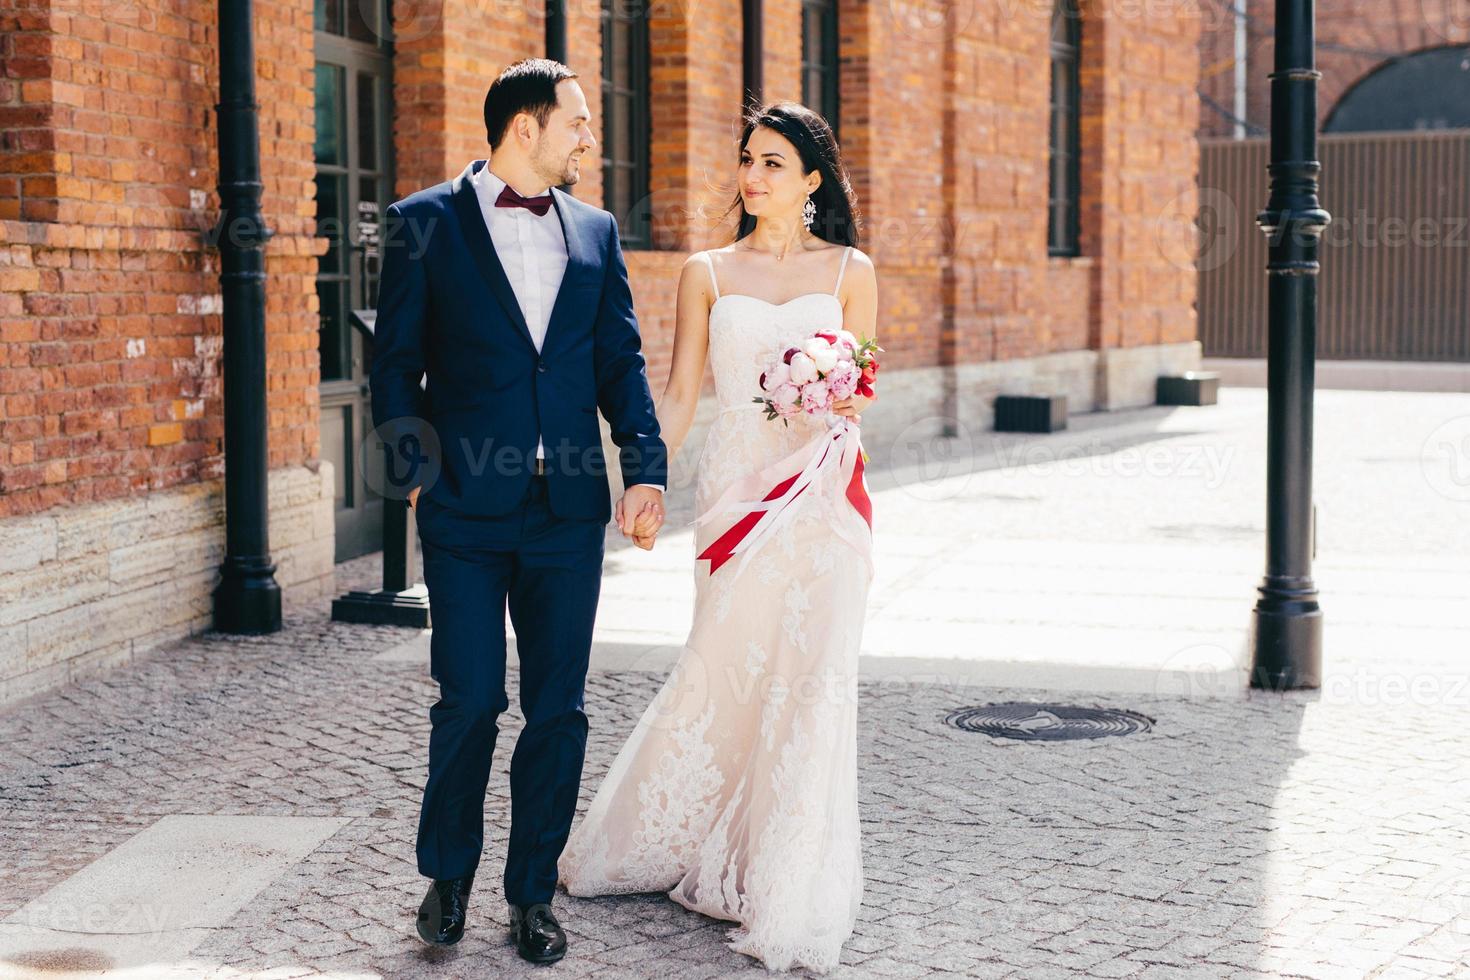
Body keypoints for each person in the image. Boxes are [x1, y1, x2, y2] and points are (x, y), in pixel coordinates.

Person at [557, 100, 878, 974]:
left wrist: (839, 397)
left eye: (774, 162)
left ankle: (787, 875)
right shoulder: (705, 272)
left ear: (813, 180)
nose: (753, 175)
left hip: (822, 502)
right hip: (736, 500)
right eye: (748, 158)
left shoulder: (852, 269)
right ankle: (675, 835)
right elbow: (679, 393)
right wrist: (646, 477)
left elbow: (863, 387)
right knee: (724, 671)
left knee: (810, 685)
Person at [368, 58, 669, 964]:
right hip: (464, 510)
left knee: (559, 709)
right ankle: (447, 881)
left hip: (567, 510)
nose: (589, 135)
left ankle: (531, 894)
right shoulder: (423, 224)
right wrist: (416, 471)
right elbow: (395, 363)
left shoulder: (596, 230)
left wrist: (644, 467)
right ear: (525, 127)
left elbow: (619, 358)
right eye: (578, 120)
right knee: (468, 700)